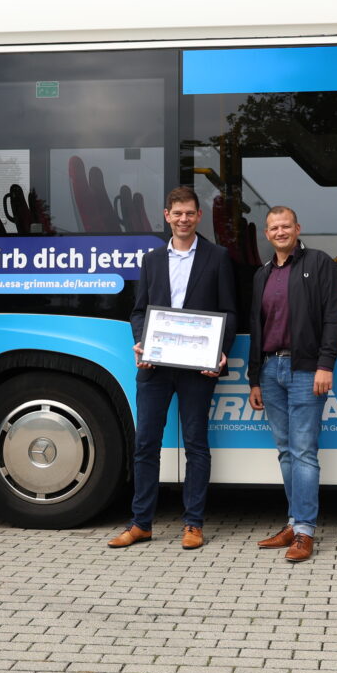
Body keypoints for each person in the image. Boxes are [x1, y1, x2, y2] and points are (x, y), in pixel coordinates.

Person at [108, 186, 236, 551]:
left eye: (189, 213)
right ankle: (141, 523)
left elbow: (229, 311)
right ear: (167, 216)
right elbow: (139, 310)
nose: (183, 219)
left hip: (199, 370)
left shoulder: (217, 257)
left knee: (196, 445)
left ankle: (193, 524)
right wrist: (141, 341)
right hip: (155, 367)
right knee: (146, 445)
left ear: (198, 216)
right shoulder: (150, 260)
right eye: (176, 213)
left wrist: (220, 352)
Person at [247, 206, 337, 563]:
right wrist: (254, 378)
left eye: (286, 225)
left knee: (303, 451)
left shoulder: (319, 263)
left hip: (306, 370)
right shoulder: (262, 274)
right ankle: (292, 522)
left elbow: (334, 317)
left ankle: (304, 531)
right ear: (267, 234)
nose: (280, 231)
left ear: (297, 228)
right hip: (270, 371)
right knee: (286, 450)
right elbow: (257, 329)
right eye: (274, 227)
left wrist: (325, 364)